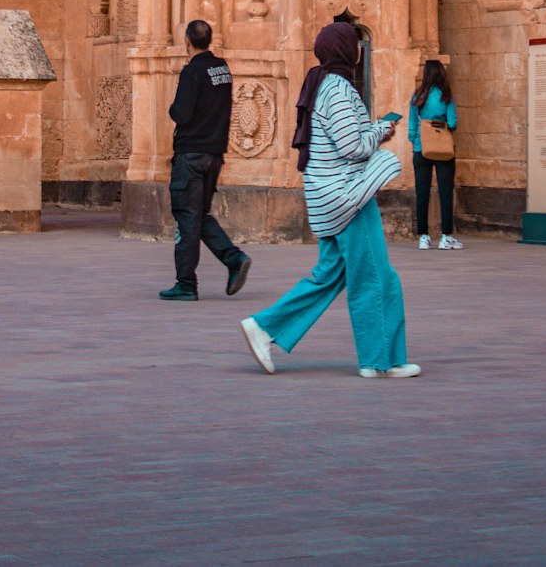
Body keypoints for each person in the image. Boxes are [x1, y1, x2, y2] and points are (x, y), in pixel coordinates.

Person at [240, 21, 420, 378]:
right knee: (377, 277)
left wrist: (373, 130)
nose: (356, 51)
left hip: (327, 196)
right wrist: (381, 130)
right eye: (353, 45)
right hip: (347, 197)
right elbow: (352, 147)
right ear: (344, 51)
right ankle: (381, 360)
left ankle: (265, 328)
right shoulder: (338, 88)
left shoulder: (320, 82)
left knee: (330, 275)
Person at [158, 19, 252, 301]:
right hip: (214, 153)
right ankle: (234, 259)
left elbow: (182, 113)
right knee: (199, 214)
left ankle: (186, 283)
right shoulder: (222, 69)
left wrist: (172, 109)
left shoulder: (193, 72)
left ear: (187, 41)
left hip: (191, 154)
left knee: (187, 217)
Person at [408, 57, 462, 250]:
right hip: (442, 148)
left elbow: (412, 124)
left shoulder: (418, 96)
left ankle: (424, 236)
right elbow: (453, 123)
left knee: (422, 193)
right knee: (445, 192)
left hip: (421, 148)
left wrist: (415, 141)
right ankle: (446, 236)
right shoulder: (446, 96)